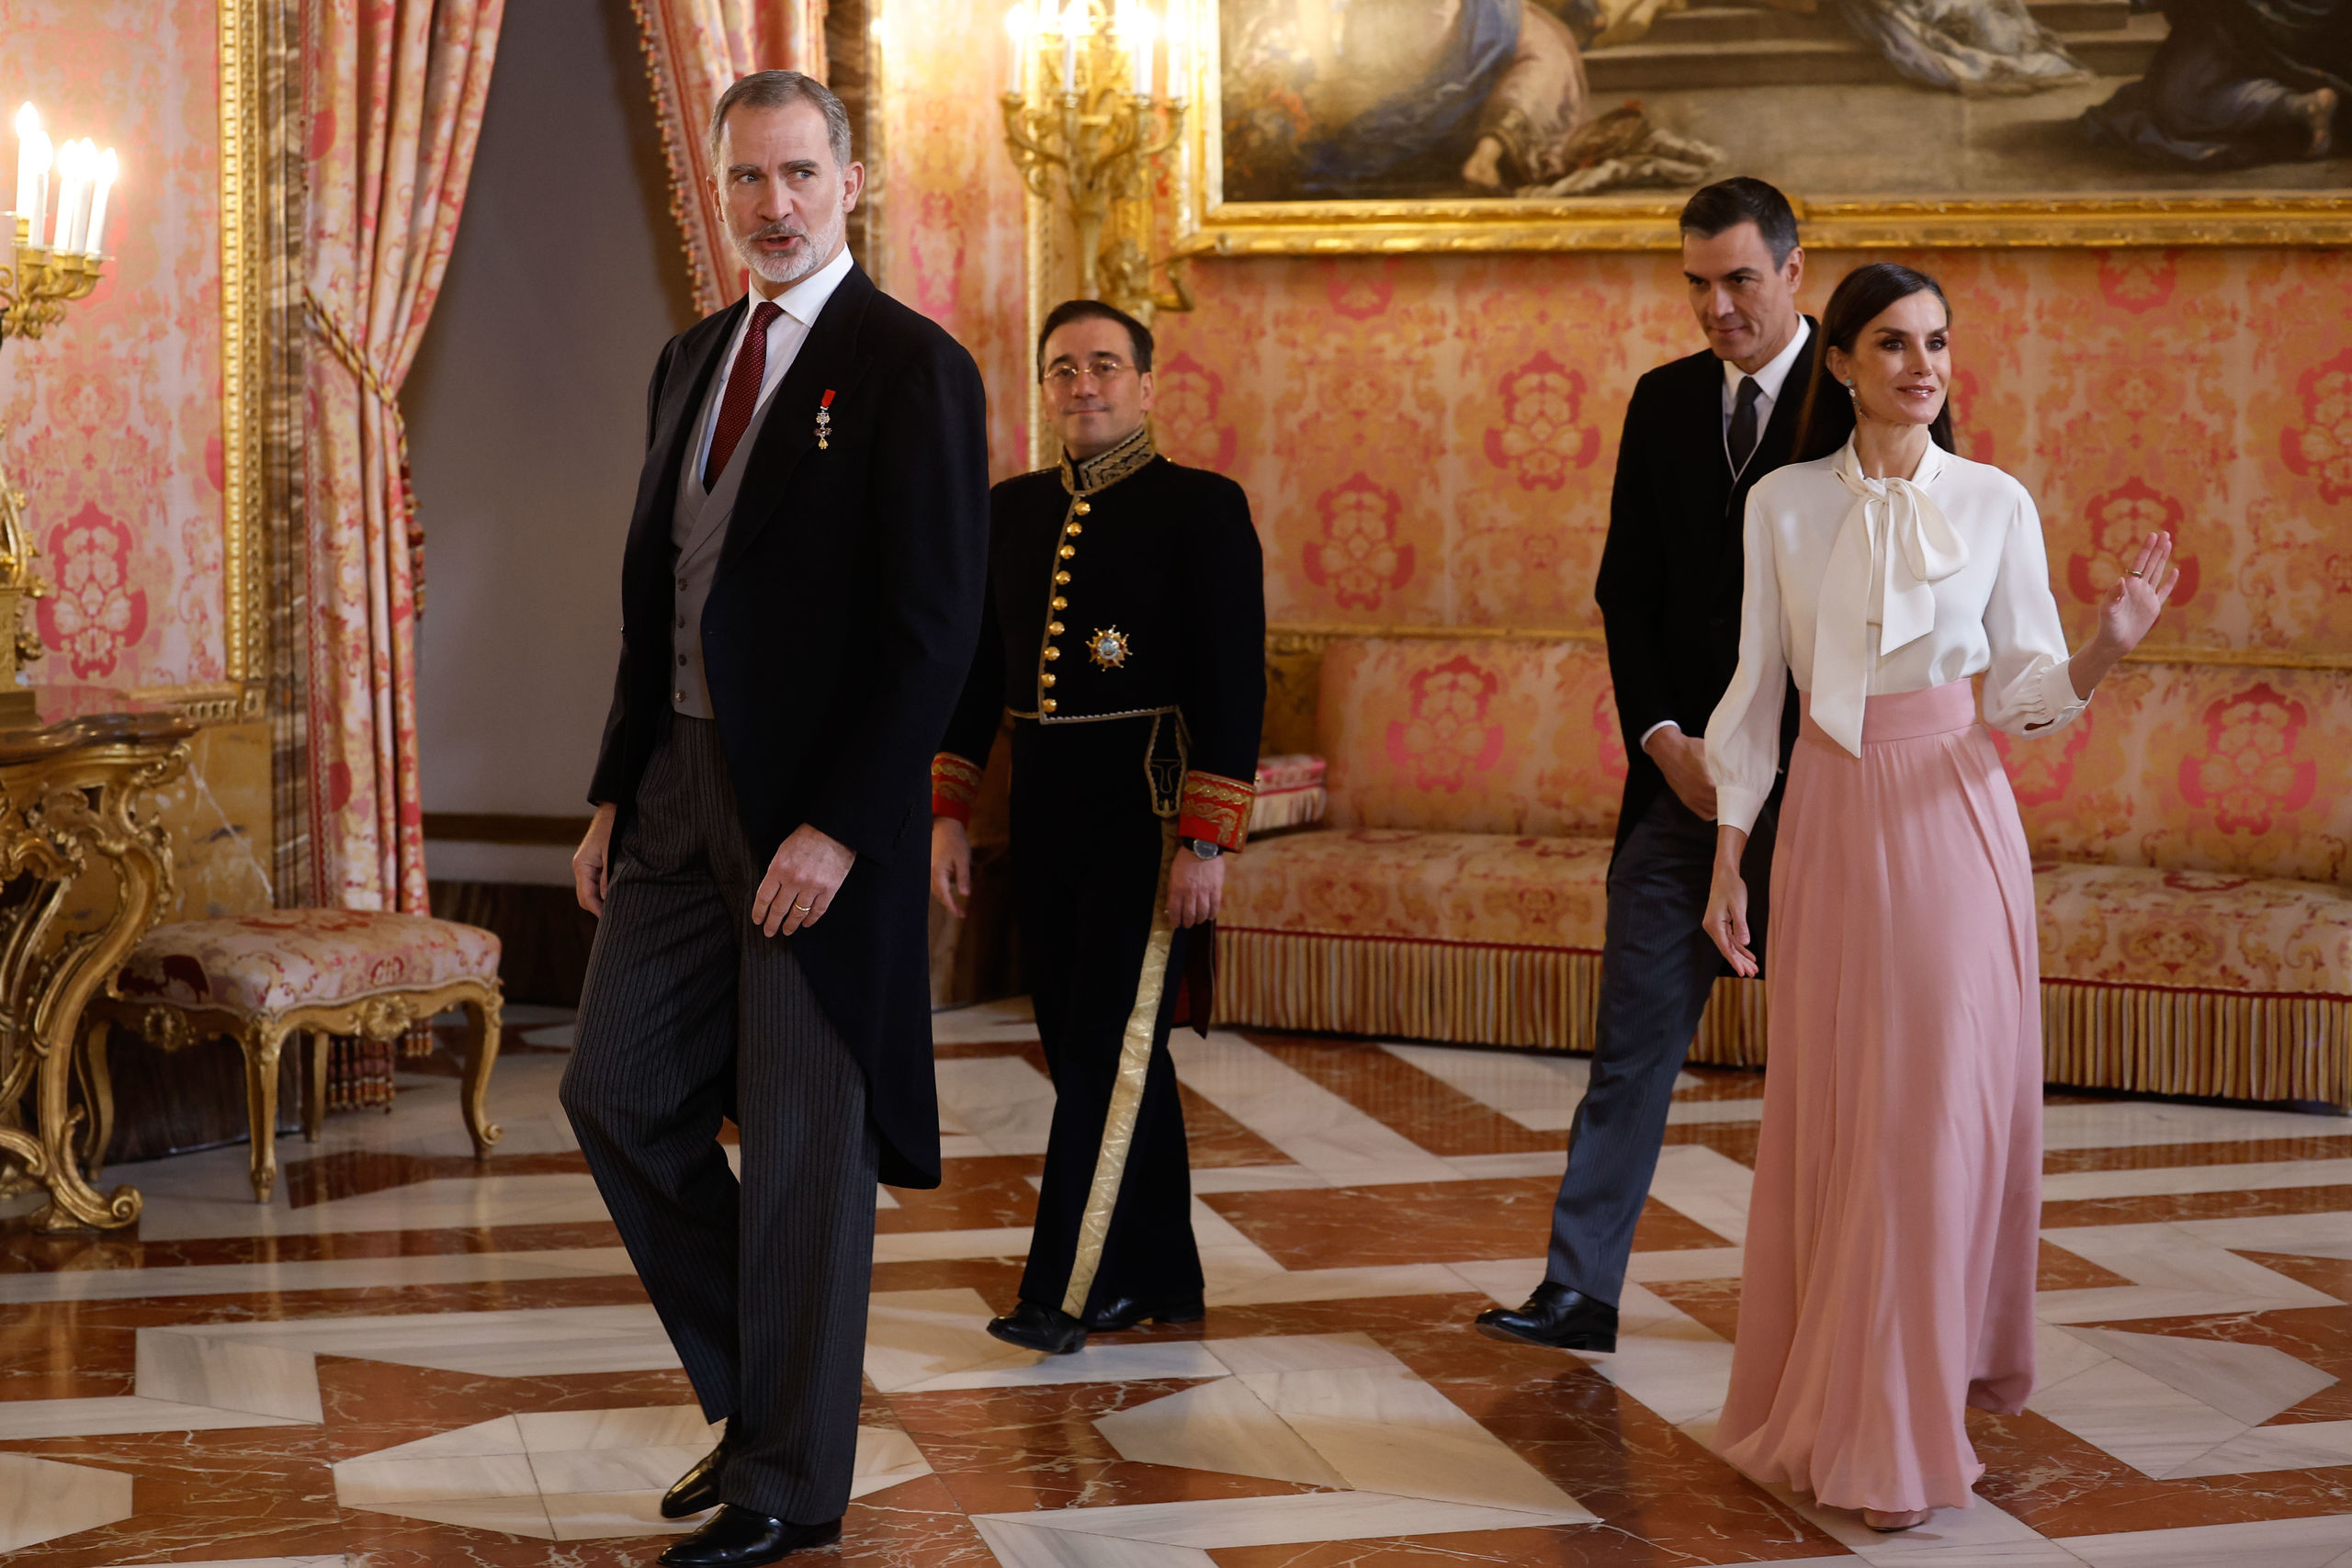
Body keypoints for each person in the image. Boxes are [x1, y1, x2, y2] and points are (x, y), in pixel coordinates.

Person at [560, 71, 989, 1568]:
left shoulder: (911, 365)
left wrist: (844, 828)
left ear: (849, 182)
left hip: (816, 817)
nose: (775, 203)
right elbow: (654, 603)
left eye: (800, 173)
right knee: (614, 1092)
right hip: (673, 788)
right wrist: (615, 787)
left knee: (806, 1142)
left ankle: (791, 1484)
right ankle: (766, 1397)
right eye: (748, 177)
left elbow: (934, 630)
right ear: (722, 189)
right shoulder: (690, 359)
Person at [1700, 262, 2177, 1532]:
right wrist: (1729, 855)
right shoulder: (1780, 504)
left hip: (1954, 819)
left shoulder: (1995, 500)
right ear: (1841, 362)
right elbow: (1754, 692)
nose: (1925, 366)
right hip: (1826, 822)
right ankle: (1848, 1401)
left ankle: (1906, 1427)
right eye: (1895, 343)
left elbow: (2023, 696)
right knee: (1846, 1121)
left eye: (1939, 343)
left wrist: (2108, 644)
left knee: (1929, 1125)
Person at [1476, 177, 1849, 1356]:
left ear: (1793, 272)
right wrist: (1663, 739)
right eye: (1696, 284)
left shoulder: (1865, 399)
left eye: (1738, 280)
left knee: (1834, 1063)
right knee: (1627, 1048)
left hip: (1822, 791)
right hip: (1679, 787)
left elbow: (1899, 608)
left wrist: (1781, 757)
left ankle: (1835, 1308)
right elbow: (1624, 592)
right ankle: (1579, 1291)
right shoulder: (1661, 400)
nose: (1716, 307)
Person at [930, 299, 1265, 1357]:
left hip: (1148, 817)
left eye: (1105, 365)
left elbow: (1234, 685)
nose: (1084, 384)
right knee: (1096, 1047)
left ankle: (1061, 1294)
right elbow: (974, 673)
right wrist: (947, 813)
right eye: (1063, 368)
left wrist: (1206, 841)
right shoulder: (1011, 510)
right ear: (1044, 389)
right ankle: (1160, 1274)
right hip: (1044, 814)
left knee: (1105, 1052)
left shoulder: (1201, 507)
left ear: (1147, 385)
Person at [2082, 0, 2344, 168]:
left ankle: (2297, 106)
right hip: (2258, 26)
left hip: (2251, 23)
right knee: (2173, 99)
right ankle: (2298, 106)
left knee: (2180, 108)